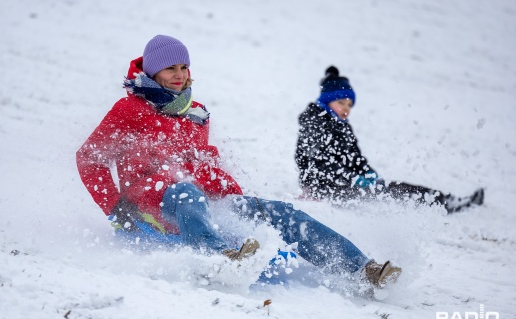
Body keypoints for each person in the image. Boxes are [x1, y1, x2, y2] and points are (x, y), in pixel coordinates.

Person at [76, 35, 400, 288]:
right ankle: (219, 259)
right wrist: (116, 208)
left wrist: (228, 191)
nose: (179, 74)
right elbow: (90, 159)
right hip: (151, 204)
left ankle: (362, 269)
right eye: (170, 68)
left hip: (199, 199)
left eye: (183, 67)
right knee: (186, 192)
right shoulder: (129, 110)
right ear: (152, 71)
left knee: (280, 212)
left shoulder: (196, 111)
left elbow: (200, 162)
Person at [295, 66, 485, 213]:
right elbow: (317, 162)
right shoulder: (315, 123)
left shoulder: (342, 126)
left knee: (388, 190)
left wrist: (369, 174)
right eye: (341, 103)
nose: (346, 108)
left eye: (350, 104)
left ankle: (442, 201)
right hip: (323, 188)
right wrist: (354, 179)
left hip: (343, 183)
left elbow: (355, 158)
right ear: (327, 101)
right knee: (391, 194)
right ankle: (440, 204)